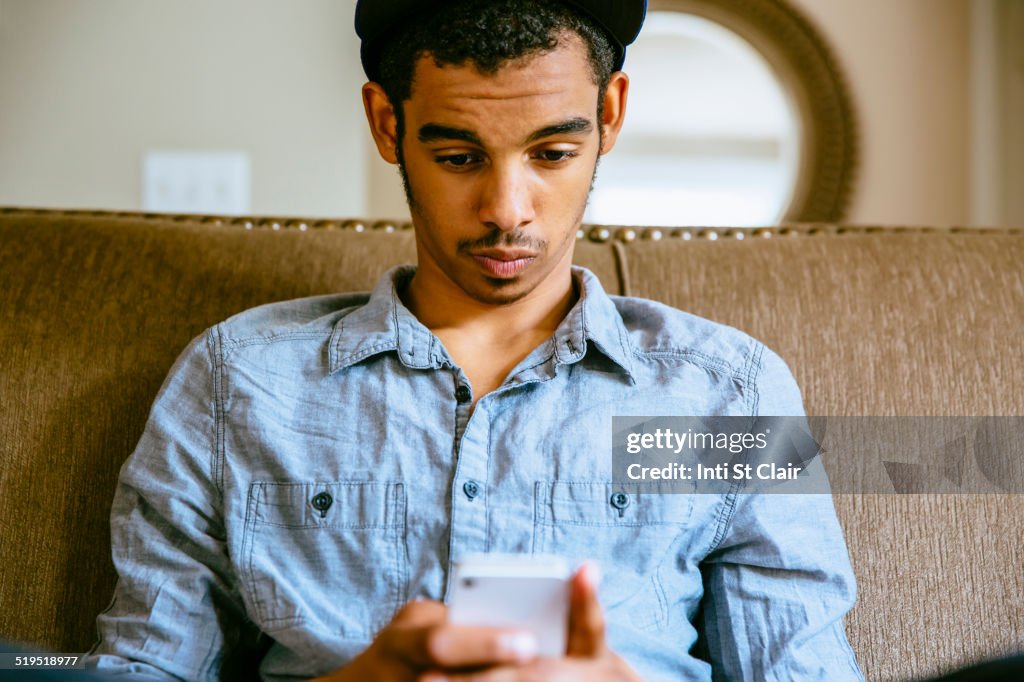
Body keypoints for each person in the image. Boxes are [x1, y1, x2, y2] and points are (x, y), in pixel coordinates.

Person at [86, 0, 864, 679]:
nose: (506, 210)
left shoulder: (728, 393)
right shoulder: (239, 381)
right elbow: (136, 671)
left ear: (611, 114)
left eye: (552, 154)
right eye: (458, 157)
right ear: (388, 124)